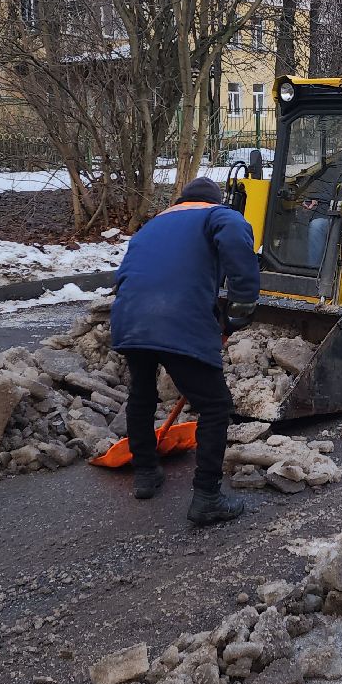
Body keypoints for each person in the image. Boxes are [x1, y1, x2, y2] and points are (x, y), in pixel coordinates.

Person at [109, 176, 261, 525]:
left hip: (130, 317)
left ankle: (145, 473)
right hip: (177, 317)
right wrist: (243, 302)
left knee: (142, 394)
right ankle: (207, 497)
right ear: (214, 200)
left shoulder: (152, 225)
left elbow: (129, 275)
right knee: (215, 406)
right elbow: (236, 236)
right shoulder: (218, 215)